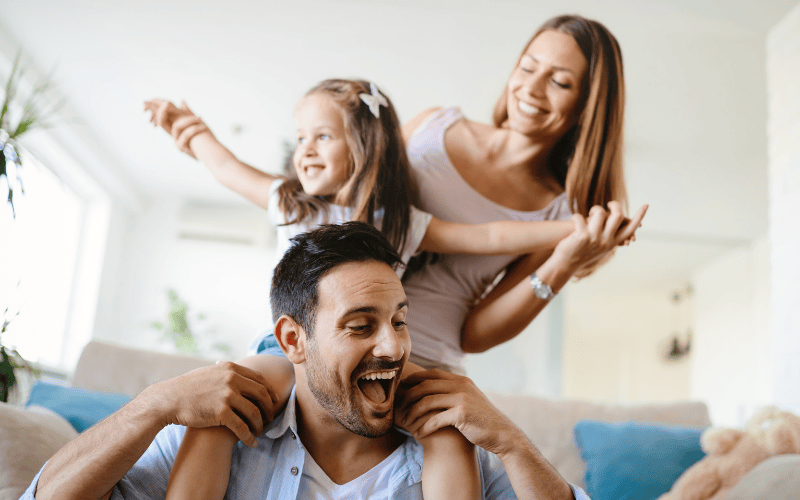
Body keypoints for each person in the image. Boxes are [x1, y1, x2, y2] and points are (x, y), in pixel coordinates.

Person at [143, 78, 638, 499]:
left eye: (321, 136)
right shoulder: (290, 202)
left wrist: (577, 231)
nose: (305, 149)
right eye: (301, 137)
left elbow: (489, 237)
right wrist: (194, 134)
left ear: (362, 145)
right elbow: (228, 169)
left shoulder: (400, 221)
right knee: (222, 404)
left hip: (384, 364)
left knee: (445, 423)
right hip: (281, 351)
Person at [24, 222, 590, 499]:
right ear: (293, 341)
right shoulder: (219, 434)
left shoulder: (452, 454)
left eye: (399, 321)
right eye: (360, 326)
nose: (393, 348)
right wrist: (150, 407)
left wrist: (513, 442)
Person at [398, 14, 645, 371]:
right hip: (336, 332)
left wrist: (565, 262)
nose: (531, 88)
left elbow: (475, 336)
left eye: (560, 82)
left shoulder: (558, 214)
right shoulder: (430, 125)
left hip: (422, 361)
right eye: (528, 68)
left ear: (586, 107)